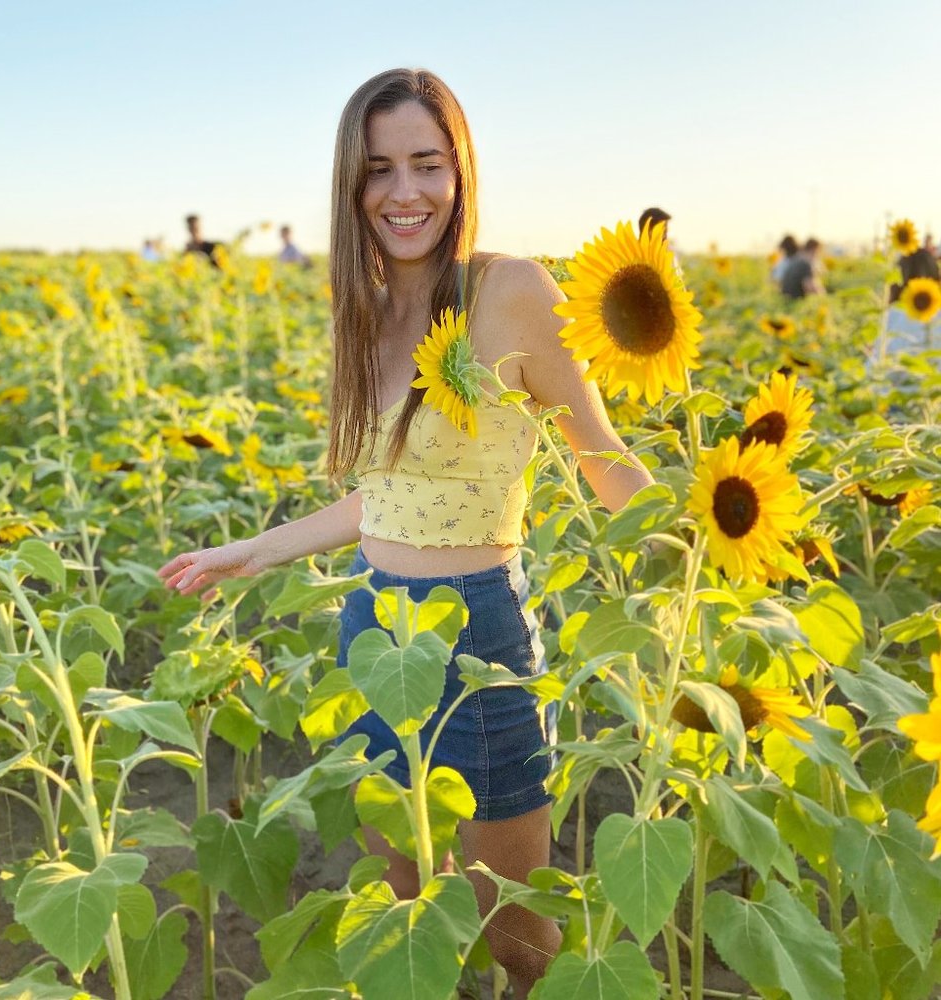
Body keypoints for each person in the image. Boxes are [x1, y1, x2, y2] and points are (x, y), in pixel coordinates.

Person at [158, 68, 653, 995]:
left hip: (476, 636)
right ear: (354, 187)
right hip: (373, 624)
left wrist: (700, 539)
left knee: (518, 932)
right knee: (413, 896)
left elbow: (602, 454)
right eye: (379, 170)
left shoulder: (510, 292)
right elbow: (385, 500)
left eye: (426, 164)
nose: (405, 192)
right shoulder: (371, 308)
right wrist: (252, 550)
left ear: (460, 170)